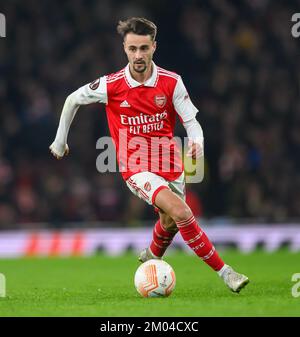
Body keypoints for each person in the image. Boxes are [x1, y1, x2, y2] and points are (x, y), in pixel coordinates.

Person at [50, 17, 249, 293]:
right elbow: (73, 99)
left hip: (170, 162)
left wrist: (197, 142)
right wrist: (60, 141)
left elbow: (191, 121)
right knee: (181, 211)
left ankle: (152, 256)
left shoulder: (171, 82)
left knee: (169, 221)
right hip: (135, 166)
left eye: (144, 48)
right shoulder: (112, 85)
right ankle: (226, 273)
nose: (138, 55)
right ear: (124, 48)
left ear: (154, 47)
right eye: (132, 49)